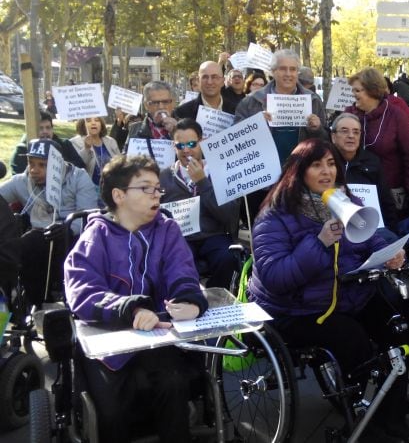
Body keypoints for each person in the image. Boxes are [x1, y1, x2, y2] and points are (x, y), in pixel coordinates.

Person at [248, 139, 409, 442]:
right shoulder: (275, 215)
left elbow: (373, 234)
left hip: (344, 296)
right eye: (317, 165)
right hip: (295, 309)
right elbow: (275, 277)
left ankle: (392, 413)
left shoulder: (342, 199)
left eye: (332, 163)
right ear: (298, 172)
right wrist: (319, 242)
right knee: (352, 340)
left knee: (399, 327)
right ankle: (368, 423)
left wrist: (390, 251)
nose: (326, 172)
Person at [64, 154, 208, 443]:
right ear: (118, 195)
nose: (157, 194)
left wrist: (188, 301)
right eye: (146, 188)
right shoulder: (97, 235)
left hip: (157, 336)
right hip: (108, 341)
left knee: (174, 383)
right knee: (112, 411)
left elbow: (181, 270)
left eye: (158, 188)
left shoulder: (167, 229)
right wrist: (129, 309)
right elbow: (81, 289)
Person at [1, 139, 98, 307]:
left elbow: (88, 216)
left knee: (28, 243)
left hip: (73, 240)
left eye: (42, 165)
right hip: (37, 239)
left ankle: (34, 302)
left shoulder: (78, 177)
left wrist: (68, 228)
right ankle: (29, 302)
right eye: (31, 163)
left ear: (57, 164)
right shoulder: (21, 181)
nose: (34, 170)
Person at [159, 119, 240, 289]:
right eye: (180, 146)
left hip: (213, 235)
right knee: (177, 261)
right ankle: (188, 299)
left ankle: (216, 298)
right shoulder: (164, 177)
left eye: (191, 144)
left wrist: (203, 182)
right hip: (181, 238)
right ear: (174, 147)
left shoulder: (219, 171)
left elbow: (229, 215)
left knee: (227, 258)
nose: (186, 150)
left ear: (202, 142)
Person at [344, 68, 409, 228]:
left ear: (372, 90)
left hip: (389, 193)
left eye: (358, 90)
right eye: (352, 90)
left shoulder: (396, 116)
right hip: (355, 190)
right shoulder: (349, 114)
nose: (354, 94)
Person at [234, 49, 328, 164]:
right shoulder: (251, 101)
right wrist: (255, 124)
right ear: (273, 72)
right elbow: (235, 140)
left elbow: (326, 142)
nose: (288, 74)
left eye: (293, 69)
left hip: (301, 171)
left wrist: (317, 130)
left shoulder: (313, 100)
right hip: (263, 170)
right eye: (283, 69)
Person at [330, 113, 399, 238]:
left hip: (371, 228)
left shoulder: (372, 162)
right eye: (344, 131)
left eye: (356, 132)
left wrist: (390, 229)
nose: (351, 136)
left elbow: (386, 201)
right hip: (335, 228)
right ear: (333, 137)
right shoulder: (325, 163)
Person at [10, 111, 85, 174]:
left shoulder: (64, 144)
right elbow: (18, 177)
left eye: (48, 127)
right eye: (40, 128)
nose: (45, 131)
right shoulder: (22, 150)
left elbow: (81, 167)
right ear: (31, 130)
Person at [125, 81, 178, 148]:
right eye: (155, 102)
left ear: (173, 103)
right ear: (146, 105)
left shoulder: (186, 126)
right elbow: (126, 155)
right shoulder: (135, 129)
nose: (161, 107)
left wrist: (177, 132)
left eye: (165, 102)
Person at [70, 117, 121, 187]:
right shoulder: (75, 142)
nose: (93, 123)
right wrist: (86, 149)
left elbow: (121, 163)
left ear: (101, 124)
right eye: (88, 121)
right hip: (88, 189)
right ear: (82, 124)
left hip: (111, 188)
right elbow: (77, 166)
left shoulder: (111, 141)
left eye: (97, 120)